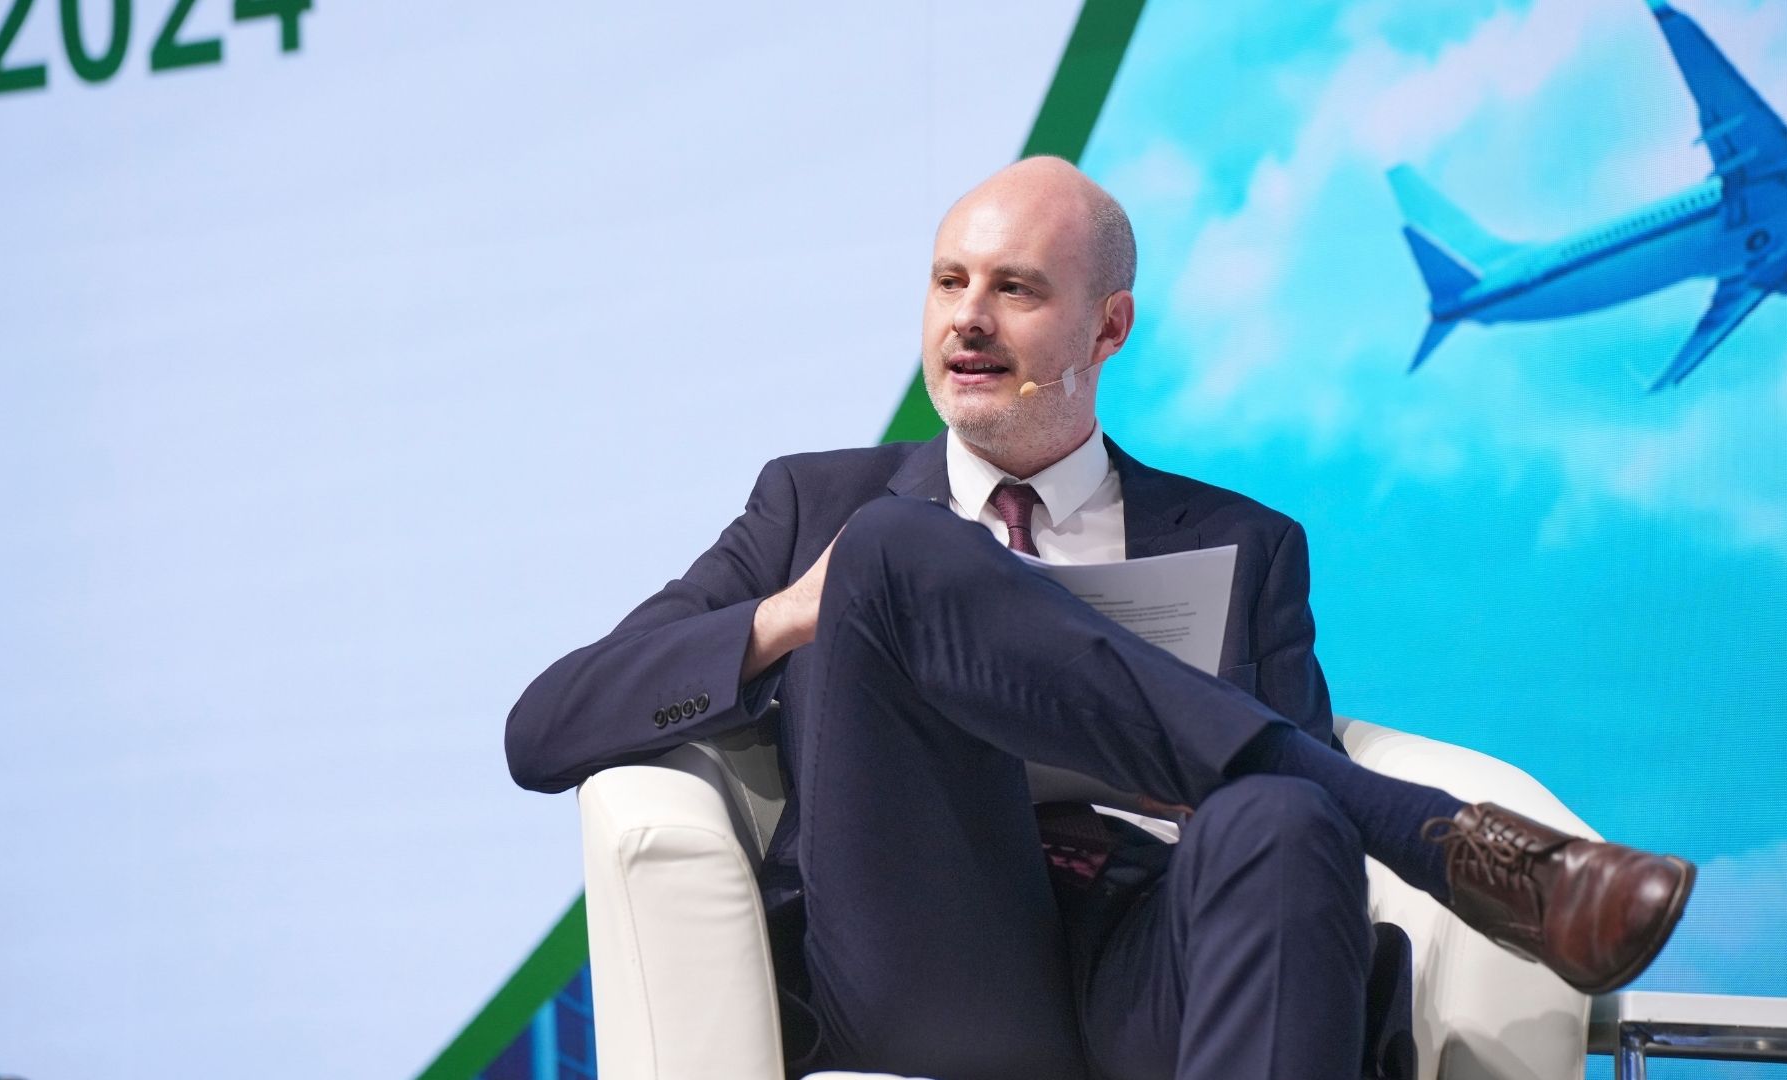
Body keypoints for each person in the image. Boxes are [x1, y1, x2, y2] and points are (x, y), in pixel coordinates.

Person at [504, 157, 1694, 1080]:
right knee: (897, 547)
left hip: (1155, 962)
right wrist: (788, 616)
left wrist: (1181, 780)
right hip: (930, 949)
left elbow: (1273, 837)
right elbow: (544, 726)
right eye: (949, 282)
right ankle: (1434, 840)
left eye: (1016, 289)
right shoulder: (817, 507)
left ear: (1108, 328)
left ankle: (1394, 827)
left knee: (1285, 813)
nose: (969, 319)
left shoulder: (1248, 544)